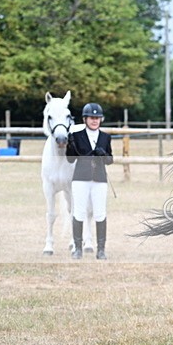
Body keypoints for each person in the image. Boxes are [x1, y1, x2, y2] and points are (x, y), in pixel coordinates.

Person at [67, 102, 113, 260]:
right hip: (81, 178)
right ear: (85, 119)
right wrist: (70, 146)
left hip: (99, 179)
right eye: (91, 118)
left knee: (100, 213)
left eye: (97, 118)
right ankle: (78, 248)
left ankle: (101, 250)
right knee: (79, 212)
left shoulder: (105, 137)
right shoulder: (77, 136)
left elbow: (110, 160)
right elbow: (70, 159)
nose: (94, 120)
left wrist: (104, 154)